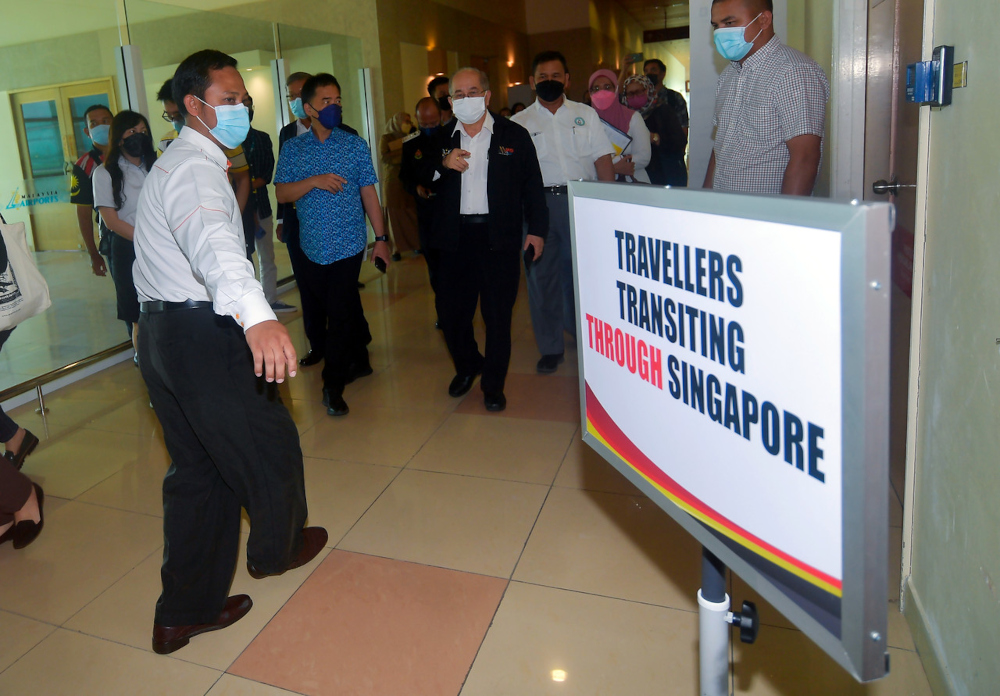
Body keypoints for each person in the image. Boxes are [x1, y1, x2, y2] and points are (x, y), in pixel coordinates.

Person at [132, 49, 327, 655]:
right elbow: (214, 246)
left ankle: (183, 613)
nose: (241, 107)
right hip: (202, 337)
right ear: (194, 106)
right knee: (271, 444)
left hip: (162, 335)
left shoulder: (177, 163)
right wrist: (259, 318)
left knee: (198, 473)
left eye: (243, 97)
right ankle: (278, 549)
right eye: (228, 100)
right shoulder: (193, 169)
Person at [429, 68, 547, 411]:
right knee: (451, 315)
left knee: (497, 317)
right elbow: (414, 177)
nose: (467, 99)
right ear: (451, 101)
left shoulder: (514, 135)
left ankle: (493, 385)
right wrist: (442, 164)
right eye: (460, 94)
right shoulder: (440, 139)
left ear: (488, 95)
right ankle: (468, 366)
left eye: (474, 91)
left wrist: (537, 231)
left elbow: (532, 188)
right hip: (453, 240)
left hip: (499, 239)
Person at [275, 73, 391, 417]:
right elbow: (282, 193)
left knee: (339, 313)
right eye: (327, 101)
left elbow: (369, 192)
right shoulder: (293, 149)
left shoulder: (354, 145)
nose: (334, 106)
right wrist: (313, 181)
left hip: (349, 243)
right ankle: (361, 358)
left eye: (338, 100)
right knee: (334, 308)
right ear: (308, 108)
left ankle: (333, 385)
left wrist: (381, 240)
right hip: (311, 245)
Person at [511, 50, 614, 374]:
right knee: (541, 278)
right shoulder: (518, 124)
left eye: (556, 76)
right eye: (542, 77)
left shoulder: (586, 114)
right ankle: (551, 348)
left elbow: (602, 159)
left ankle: (586, 336)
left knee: (586, 274)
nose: (549, 82)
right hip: (538, 209)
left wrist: (607, 205)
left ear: (567, 79)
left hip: (582, 202)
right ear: (531, 82)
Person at [705, 0, 829, 195]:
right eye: (716, 25)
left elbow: (805, 157)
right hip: (724, 209)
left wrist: (784, 220)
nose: (720, 33)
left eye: (729, 23)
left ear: (763, 20)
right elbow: (721, 145)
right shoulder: (728, 76)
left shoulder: (794, 71)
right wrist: (706, 199)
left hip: (764, 215)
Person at [92, 110, 156, 355]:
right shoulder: (104, 173)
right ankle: (145, 363)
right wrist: (146, 241)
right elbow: (111, 221)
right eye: (132, 132)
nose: (138, 137)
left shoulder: (157, 167)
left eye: (143, 132)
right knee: (137, 314)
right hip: (128, 247)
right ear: (119, 138)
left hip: (162, 245)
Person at [241, 97, 295, 313]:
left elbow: (266, 174)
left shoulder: (261, 139)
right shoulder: (226, 142)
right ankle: (248, 304)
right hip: (238, 210)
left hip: (261, 207)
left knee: (267, 256)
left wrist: (243, 184)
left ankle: (270, 299)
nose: (245, 110)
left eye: (248, 105)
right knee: (244, 258)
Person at [399, 97, 444, 326]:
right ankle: (442, 312)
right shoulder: (410, 144)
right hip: (426, 214)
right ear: (417, 119)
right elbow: (404, 177)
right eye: (424, 124)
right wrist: (415, 187)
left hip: (451, 212)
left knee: (455, 267)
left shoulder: (452, 137)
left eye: (433, 123)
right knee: (435, 266)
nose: (429, 128)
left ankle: (458, 310)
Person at [623, 74, 688, 186]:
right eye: (630, 94)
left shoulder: (663, 110)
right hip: (637, 174)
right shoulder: (625, 116)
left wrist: (655, 138)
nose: (635, 96)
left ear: (648, 89)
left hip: (666, 173)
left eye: (639, 91)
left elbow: (680, 141)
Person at [588, 69, 651, 183]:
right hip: (599, 186)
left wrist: (609, 164)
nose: (601, 92)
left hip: (632, 185)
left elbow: (644, 156)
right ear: (590, 93)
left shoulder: (633, 117)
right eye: (596, 88)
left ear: (616, 89)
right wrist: (613, 168)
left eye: (607, 87)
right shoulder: (586, 120)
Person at [71, 104, 112, 277]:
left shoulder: (132, 151)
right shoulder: (84, 165)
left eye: (105, 121)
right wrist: (93, 253)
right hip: (113, 236)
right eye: (94, 124)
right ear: (87, 131)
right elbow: (83, 212)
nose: (101, 126)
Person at [379, 112, 420, 257]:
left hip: (409, 181)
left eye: (409, 121)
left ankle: (415, 244)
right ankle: (396, 249)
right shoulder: (387, 138)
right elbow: (385, 158)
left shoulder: (413, 136)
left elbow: (417, 155)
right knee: (394, 216)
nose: (407, 123)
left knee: (411, 214)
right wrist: (404, 151)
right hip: (393, 183)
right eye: (404, 121)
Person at [641, 58, 690, 137]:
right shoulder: (641, 98)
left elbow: (683, 127)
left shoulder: (675, 97)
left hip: (669, 146)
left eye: (653, 70)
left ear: (662, 74)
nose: (649, 73)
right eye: (646, 71)